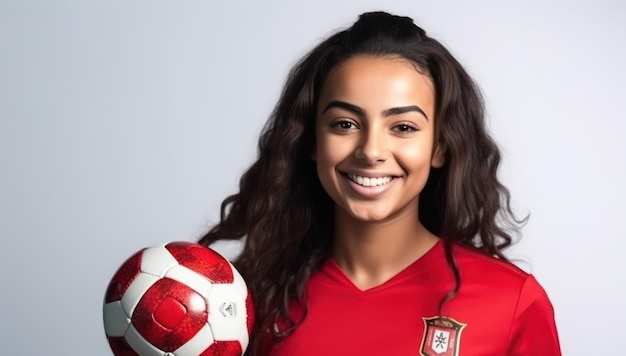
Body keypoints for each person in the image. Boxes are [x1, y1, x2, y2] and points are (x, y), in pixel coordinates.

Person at [199, 11, 561, 356]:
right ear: (310, 141)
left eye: (403, 127)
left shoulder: (512, 302)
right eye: (345, 124)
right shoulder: (244, 302)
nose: (371, 151)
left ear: (439, 146)